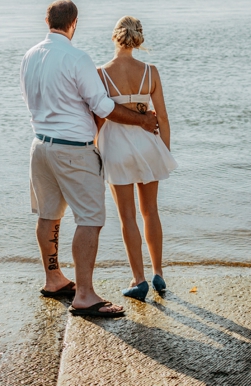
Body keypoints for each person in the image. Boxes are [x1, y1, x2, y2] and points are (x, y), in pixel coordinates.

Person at [21, 0, 158, 318]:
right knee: (90, 219)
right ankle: (84, 295)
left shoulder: (29, 56)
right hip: (73, 150)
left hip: (40, 146)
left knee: (48, 215)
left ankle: (53, 279)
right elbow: (103, 107)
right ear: (75, 23)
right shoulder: (77, 58)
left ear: (46, 20)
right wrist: (143, 120)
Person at [95, 16, 177, 302]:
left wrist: (95, 151)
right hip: (147, 147)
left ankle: (138, 279)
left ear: (114, 37)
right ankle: (158, 274)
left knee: (127, 216)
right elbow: (163, 118)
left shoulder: (101, 73)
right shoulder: (150, 72)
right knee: (150, 211)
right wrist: (162, 152)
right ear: (138, 38)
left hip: (116, 148)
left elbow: (98, 120)